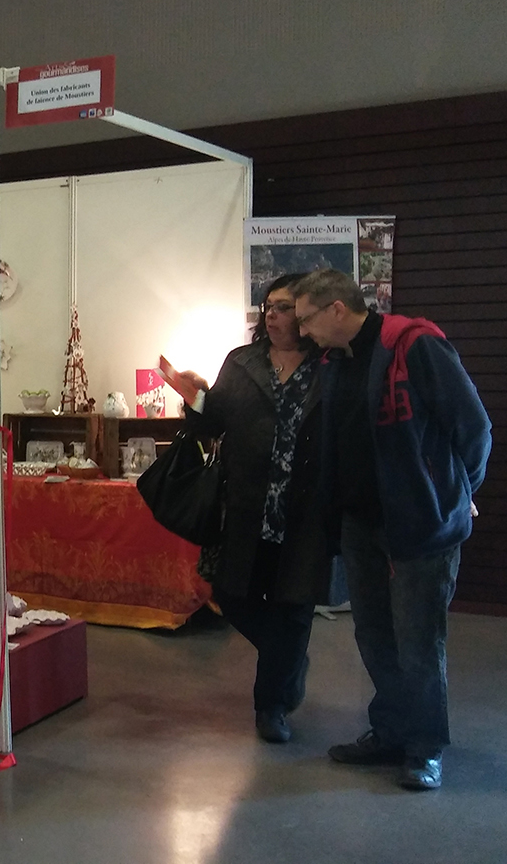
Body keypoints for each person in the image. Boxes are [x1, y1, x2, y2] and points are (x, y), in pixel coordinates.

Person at [292, 268, 490, 791]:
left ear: (337, 309)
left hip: (420, 523)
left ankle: (425, 748)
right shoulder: (335, 362)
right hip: (361, 522)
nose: (303, 331)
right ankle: (391, 731)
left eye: (307, 319)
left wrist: (457, 492)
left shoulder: (415, 345)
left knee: (418, 642)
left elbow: (473, 427)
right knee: (374, 634)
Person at [174, 272, 341, 744]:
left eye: (284, 307)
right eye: (268, 306)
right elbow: (214, 421)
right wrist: (195, 397)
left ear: (305, 313)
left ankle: (271, 708)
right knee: (232, 596)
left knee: (294, 606)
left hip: (306, 510)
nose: (272, 315)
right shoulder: (241, 361)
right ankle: (288, 661)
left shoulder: (330, 364)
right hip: (248, 507)